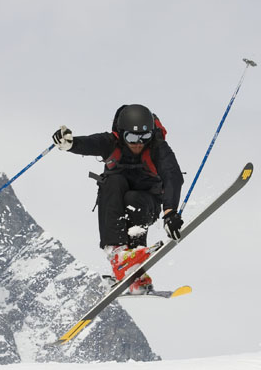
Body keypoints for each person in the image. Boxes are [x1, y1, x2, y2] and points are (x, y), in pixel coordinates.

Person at [52, 104, 184, 294]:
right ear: (121, 135)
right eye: (131, 137)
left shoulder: (157, 148)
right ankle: (118, 256)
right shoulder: (110, 143)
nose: (138, 143)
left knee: (134, 198)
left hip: (147, 205)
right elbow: (90, 143)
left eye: (144, 137)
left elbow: (173, 176)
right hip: (113, 205)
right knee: (112, 182)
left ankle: (134, 264)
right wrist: (70, 144)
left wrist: (170, 212)